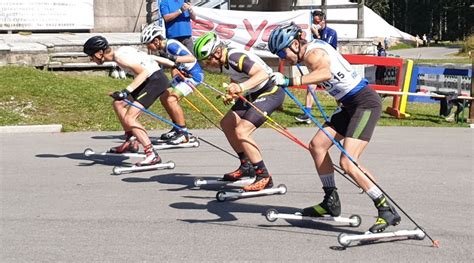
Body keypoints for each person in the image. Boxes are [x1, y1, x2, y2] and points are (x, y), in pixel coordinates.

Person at [268, 23, 401, 233]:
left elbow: (325, 73)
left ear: (294, 44)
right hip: (349, 106)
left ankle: (385, 208)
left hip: (365, 103)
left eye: (282, 52)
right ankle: (330, 200)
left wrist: (289, 80)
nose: (282, 58)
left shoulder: (313, 54)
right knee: (317, 146)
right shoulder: (308, 51)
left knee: (348, 162)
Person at [193, 32, 285, 191]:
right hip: (253, 93)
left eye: (209, 59)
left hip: (270, 91)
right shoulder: (224, 61)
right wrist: (233, 93)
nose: (208, 64)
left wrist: (241, 88)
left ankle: (263, 176)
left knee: (242, 131)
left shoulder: (234, 57)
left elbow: (262, 74)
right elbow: (236, 76)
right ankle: (246, 165)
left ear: (217, 51)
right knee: (227, 123)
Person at [83, 36, 169, 166]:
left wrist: (126, 91)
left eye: (91, 56)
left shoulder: (119, 58)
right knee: (118, 103)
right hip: (147, 81)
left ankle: (151, 154)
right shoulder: (121, 52)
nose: (91, 59)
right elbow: (147, 60)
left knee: (130, 118)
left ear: (99, 53)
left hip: (155, 81)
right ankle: (131, 140)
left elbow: (144, 73)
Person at [140, 23, 204, 144]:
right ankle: (177, 127)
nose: (148, 47)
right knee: (164, 96)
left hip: (194, 75)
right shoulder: (163, 48)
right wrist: (175, 75)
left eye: (148, 44)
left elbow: (191, 58)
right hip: (183, 75)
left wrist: (173, 59)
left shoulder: (171, 45)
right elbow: (174, 66)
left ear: (156, 41)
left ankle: (184, 134)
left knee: (171, 100)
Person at [295, 10, 338, 124]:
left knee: (337, 92)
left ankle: (344, 110)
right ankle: (307, 114)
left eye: (318, 21)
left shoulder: (331, 32)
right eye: (314, 21)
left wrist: (317, 35)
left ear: (323, 21)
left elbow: (325, 47)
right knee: (310, 88)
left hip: (329, 66)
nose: (316, 24)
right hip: (317, 67)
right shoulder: (312, 34)